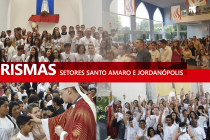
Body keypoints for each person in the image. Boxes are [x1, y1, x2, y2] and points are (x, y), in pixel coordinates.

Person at [27, 83, 96, 140]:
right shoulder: (79, 104)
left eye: (61, 93)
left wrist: (62, 134)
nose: (61, 97)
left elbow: (79, 138)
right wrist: (40, 121)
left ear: (68, 90)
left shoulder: (82, 109)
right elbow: (61, 118)